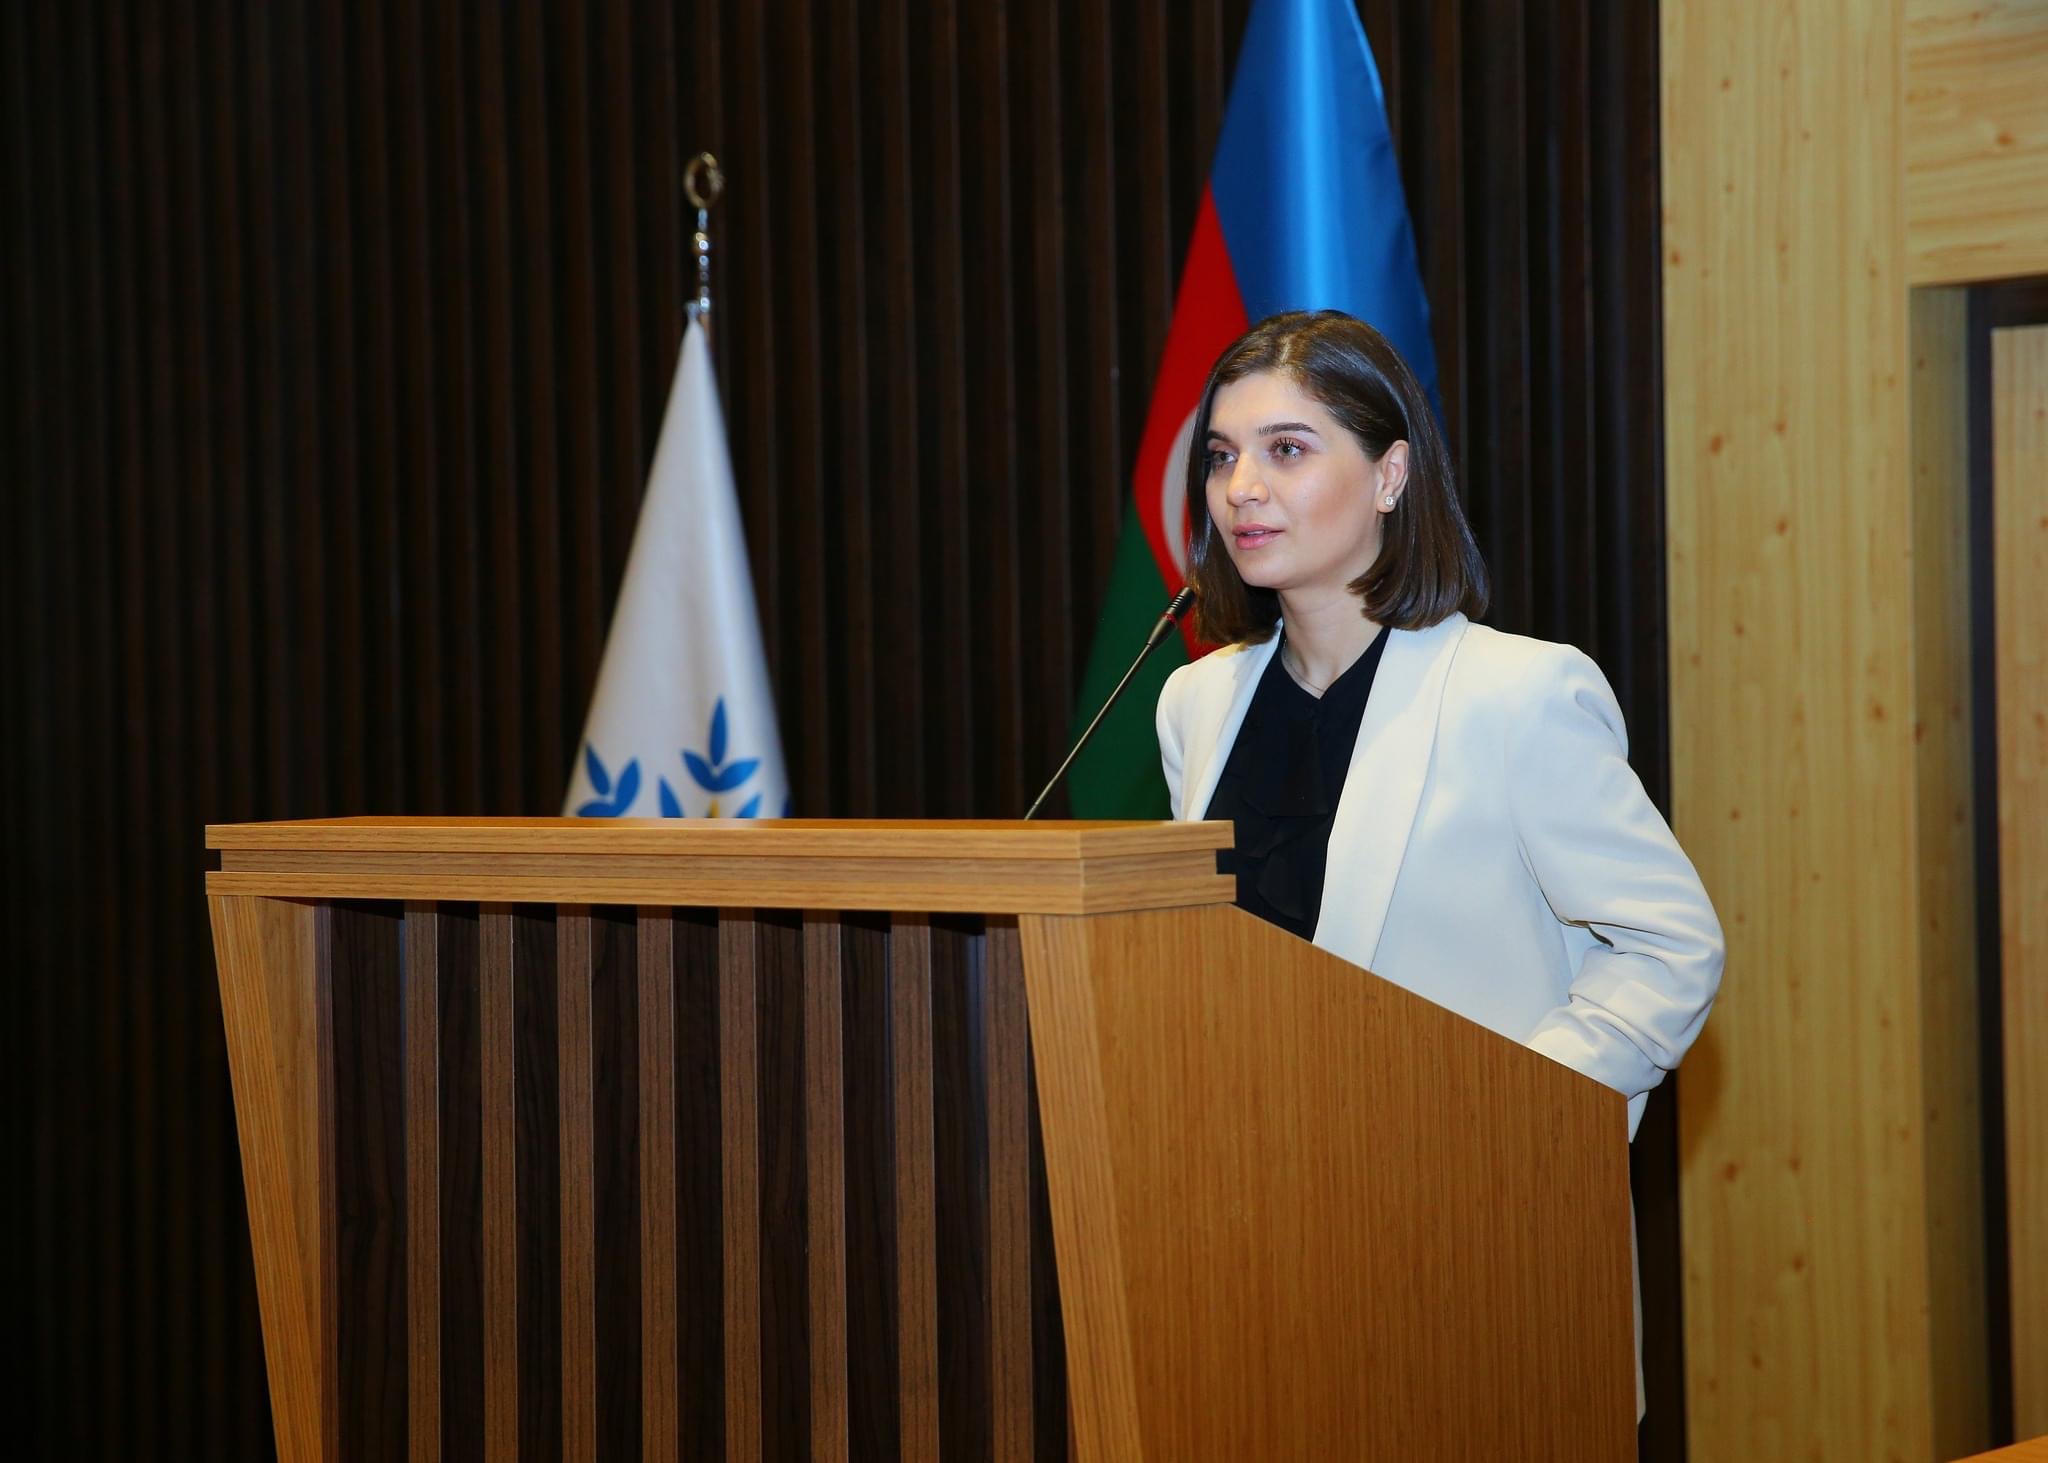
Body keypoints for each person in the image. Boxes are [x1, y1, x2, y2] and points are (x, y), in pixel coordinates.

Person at [1155, 310, 1723, 1414]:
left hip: (1476, 1244)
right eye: (1220, 457)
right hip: (1252, 1243)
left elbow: (1670, 946)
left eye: (1285, 448)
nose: (1240, 490)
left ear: (1390, 475)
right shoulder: (1196, 702)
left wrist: (1505, 1120)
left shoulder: (1516, 692)